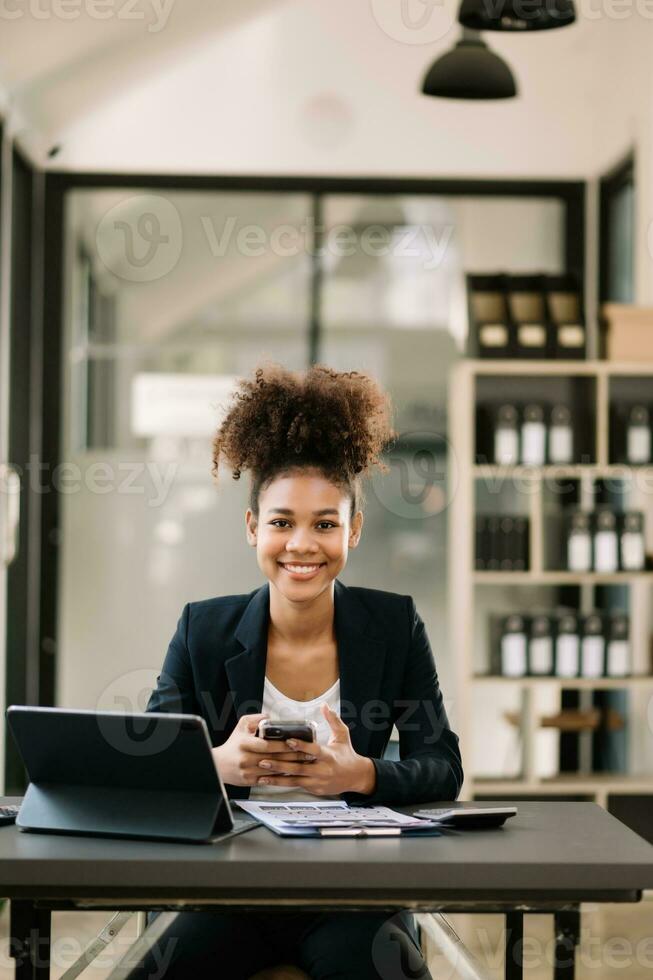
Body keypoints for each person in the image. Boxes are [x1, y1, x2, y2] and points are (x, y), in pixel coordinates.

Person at [130, 363, 463, 980]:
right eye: (282, 521)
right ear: (253, 528)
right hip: (223, 890)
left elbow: (442, 765)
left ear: (354, 530)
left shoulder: (395, 626)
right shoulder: (201, 628)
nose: (302, 545)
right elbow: (153, 764)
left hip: (351, 894)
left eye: (325, 524)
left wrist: (361, 773)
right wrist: (217, 763)